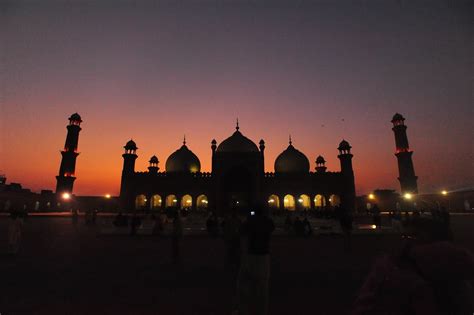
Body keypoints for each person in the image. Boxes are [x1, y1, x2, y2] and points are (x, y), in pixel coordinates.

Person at [352, 217, 474, 315]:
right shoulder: (460, 272)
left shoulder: (392, 272)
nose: (405, 241)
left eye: (411, 236)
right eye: (404, 236)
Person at [235, 205, 275, 315]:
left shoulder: (249, 221)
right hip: (264, 256)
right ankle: (262, 311)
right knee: (263, 287)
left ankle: (243, 310)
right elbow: (272, 228)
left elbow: (240, 232)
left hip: (250, 255)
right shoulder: (268, 221)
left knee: (244, 285)